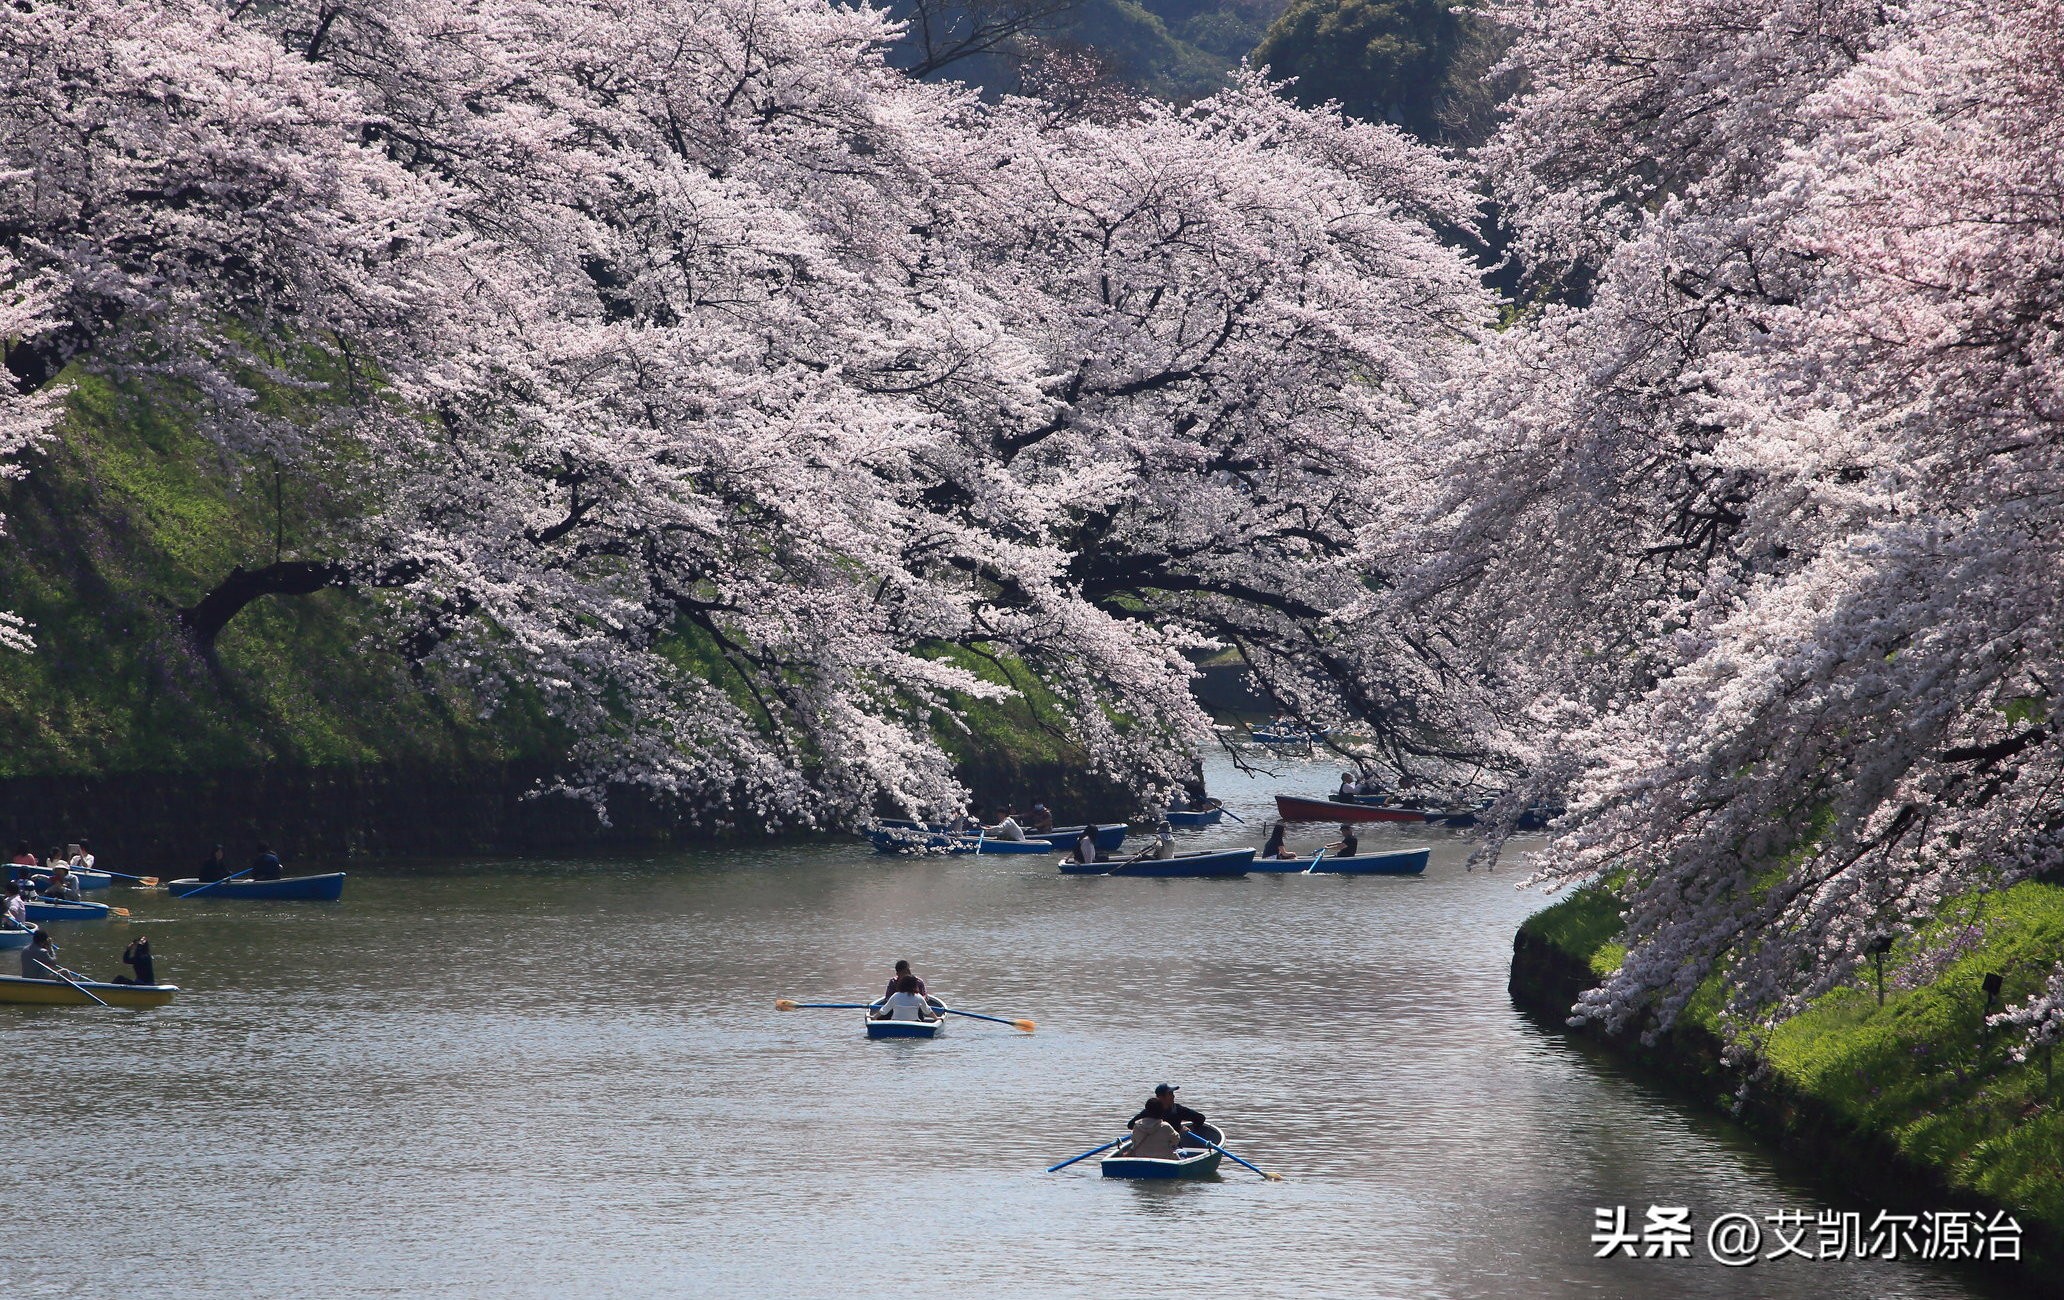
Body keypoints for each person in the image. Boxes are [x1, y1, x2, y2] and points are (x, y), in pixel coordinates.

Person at [1130, 1084, 1208, 1143]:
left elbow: (1200, 1118)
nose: (1173, 1096)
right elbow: (1130, 1125)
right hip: (1153, 1145)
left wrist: (1190, 1130)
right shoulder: (1150, 1111)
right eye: (1170, 1094)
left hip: (1172, 1146)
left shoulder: (1178, 1110)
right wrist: (1179, 1128)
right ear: (1161, 1097)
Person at [1124, 1096, 1183, 1161]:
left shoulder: (1136, 1126)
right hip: (1165, 1160)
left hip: (1142, 1160)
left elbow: (1134, 1141)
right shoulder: (1166, 1127)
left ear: (1146, 1111)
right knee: (1183, 1153)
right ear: (1161, 1111)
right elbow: (1176, 1140)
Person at [872, 973, 937, 1022]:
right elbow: (927, 1011)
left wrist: (874, 1017)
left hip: (895, 1023)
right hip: (913, 1023)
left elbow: (884, 1010)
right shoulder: (918, 997)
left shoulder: (895, 995)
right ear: (915, 985)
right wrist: (936, 1018)